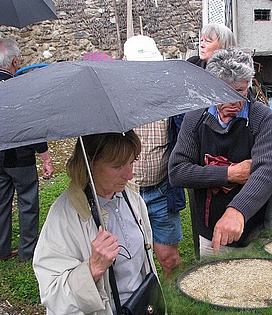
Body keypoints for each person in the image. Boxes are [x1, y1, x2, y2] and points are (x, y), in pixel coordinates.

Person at [169, 48, 272, 258]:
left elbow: (267, 171)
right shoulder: (195, 117)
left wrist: (237, 210)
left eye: (241, 91)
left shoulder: (263, 118)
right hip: (210, 234)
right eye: (225, 93)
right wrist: (229, 174)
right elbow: (177, 171)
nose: (235, 102)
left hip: (253, 234)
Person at [33, 131, 160, 314]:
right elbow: (52, 294)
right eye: (117, 166)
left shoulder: (131, 198)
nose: (130, 175)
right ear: (89, 162)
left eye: (131, 162)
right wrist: (93, 268)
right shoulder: (64, 216)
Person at [124, 35, 185, 277]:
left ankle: (173, 304)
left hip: (161, 192)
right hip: (123, 195)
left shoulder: (170, 100)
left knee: (169, 259)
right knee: (128, 262)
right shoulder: (115, 101)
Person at [0, 37, 54, 262]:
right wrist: (46, 157)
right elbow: (30, 125)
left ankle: (2, 250)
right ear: (14, 63)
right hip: (19, 157)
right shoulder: (18, 88)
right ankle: (27, 251)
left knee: (1, 204)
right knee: (28, 202)